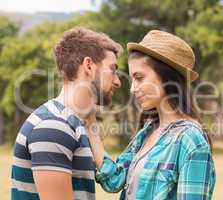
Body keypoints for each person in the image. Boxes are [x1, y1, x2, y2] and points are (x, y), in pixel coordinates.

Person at [87, 30, 216, 200]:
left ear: (167, 78)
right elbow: (114, 180)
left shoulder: (190, 140)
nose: (133, 89)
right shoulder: (148, 131)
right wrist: (90, 122)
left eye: (139, 78)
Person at [11, 27, 122, 200]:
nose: (118, 81)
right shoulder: (54, 126)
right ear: (89, 65)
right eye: (113, 70)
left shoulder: (73, 123)